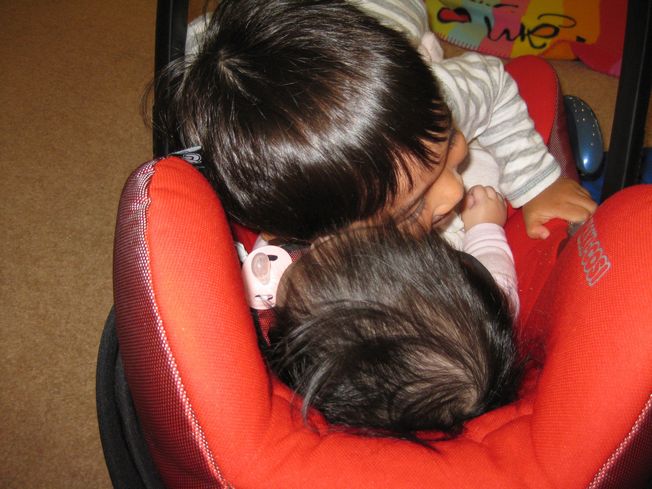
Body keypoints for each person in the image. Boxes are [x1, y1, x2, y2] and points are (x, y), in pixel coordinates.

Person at [161, 0, 597, 247]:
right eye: (412, 206)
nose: (455, 192)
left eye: (450, 144)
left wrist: (536, 183)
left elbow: (493, 81)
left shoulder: (439, 97)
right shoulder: (272, 200)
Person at [265, 184, 522, 441]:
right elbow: (499, 277)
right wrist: (485, 227)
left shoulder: (277, 350)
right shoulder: (496, 299)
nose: (321, 240)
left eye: (312, 258)